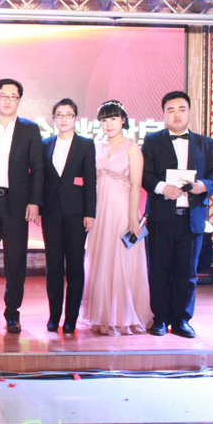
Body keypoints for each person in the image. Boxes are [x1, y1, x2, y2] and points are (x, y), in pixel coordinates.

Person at [142, 91, 213, 339]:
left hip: (192, 218)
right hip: (160, 218)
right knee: (159, 270)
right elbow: (145, 175)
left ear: (189, 112)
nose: (176, 115)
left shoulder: (206, 143)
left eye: (181, 109)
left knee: (187, 273)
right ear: (163, 114)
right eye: (171, 110)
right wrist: (162, 187)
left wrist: (203, 185)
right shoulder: (152, 141)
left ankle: (182, 320)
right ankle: (160, 317)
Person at [0, 78, 44, 333]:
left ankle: (12, 312)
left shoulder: (29, 129)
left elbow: (38, 169)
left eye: (13, 96)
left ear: (19, 100)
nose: (7, 100)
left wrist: (34, 202)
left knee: (16, 261)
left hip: (17, 203)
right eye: (3, 95)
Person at [82, 100, 152, 336]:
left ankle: (123, 316)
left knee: (122, 261)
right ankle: (103, 315)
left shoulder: (132, 148)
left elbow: (136, 185)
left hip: (122, 212)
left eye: (113, 118)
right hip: (99, 212)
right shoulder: (96, 146)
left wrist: (133, 218)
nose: (108, 124)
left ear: (123, 120)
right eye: (104, 120)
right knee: (99, 260)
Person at [40, 98, 96, 334]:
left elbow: (90, 181)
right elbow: (40, 178)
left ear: (76, 118)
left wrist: (90, 213)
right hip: (51, 213)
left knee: (74, 266)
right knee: (53, 266)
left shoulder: (85, 144)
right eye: (59, 115)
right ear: (53, 119)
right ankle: (54, 316)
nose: (63, 119)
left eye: (68, 114)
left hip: (77, 214)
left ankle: (71, 318)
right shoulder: (45, 144)